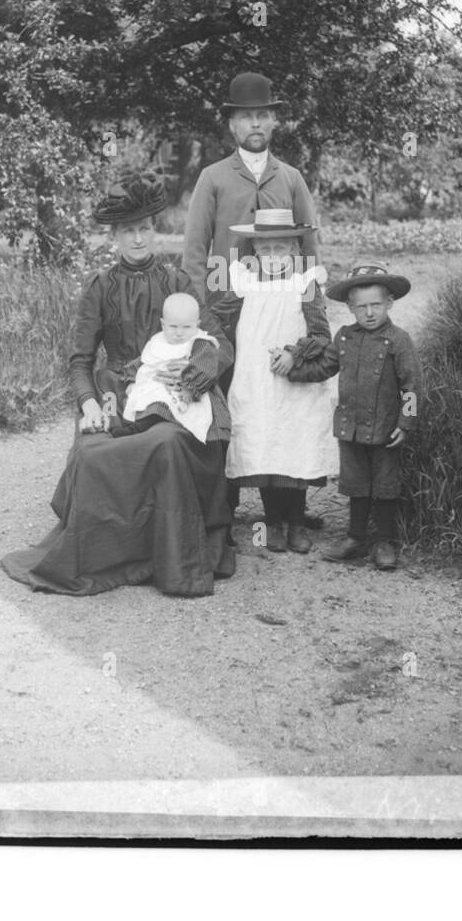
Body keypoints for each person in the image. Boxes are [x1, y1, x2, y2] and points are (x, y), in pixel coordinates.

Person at [0, 168, 234, 598]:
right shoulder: (100, 287)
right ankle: (107, 552)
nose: (138, 239)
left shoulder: (179, 283)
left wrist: (194, 374)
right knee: (91, 453)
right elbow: (80, 361)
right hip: (117, 395)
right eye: (128, 232)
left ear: (155, 229)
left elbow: (219, 342)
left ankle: (170, 555)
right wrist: (89, 404)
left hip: (176, 396)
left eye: (144, 229)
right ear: (115, 237)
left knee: (166, 443)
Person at [212, 208, 338, 554]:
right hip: (255, 381)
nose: (272, 257)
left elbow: (320, 333)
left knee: (292, 443)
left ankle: (296, 521)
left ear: (295, 249)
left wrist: (295, 354)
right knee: (263, 444)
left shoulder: (305, 284)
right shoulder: (243, 282)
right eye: (264, 250)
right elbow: (220, 318)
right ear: (254, 252)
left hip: (293, 382)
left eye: (280, 249)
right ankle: (271, 522)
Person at [284, 262, 422, 571]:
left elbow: (412, 387)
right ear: (350, 307)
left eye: (376, 305)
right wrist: (294, 371)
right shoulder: (344, 337)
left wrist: (406, 423)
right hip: (350, 428)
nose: (369, 313)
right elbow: (326, 367)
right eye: (362, 307)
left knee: (386, 485)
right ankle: (355, 538)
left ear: (389, 303)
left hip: (387, 430)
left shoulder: (398, 340)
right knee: (356, 484)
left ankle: (385, 541)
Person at [182, 72, 320, 304]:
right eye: (246, 116)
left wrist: (313, 302)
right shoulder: (212, 177)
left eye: (263, 115)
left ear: (274, 121)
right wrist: (197, 307)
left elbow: (309, 246)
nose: (255, 123)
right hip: (225, 297)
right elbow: (195, 249)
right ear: (232, 125)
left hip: (282, 300)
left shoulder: (291, 177)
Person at [123, 292, 218, 444]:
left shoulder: (200, 343)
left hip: (184, 390)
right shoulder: (158, 341)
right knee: (141, 399)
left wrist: (190, 387)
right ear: (163, 324)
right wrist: (131, 380)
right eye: (173, 327)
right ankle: (137, 424)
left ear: (197, 325)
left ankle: (140, 427)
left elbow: (205, 367)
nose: (179, 333)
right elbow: (144, 362)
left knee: (161, 403)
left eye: (187, 327)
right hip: (153, 386)